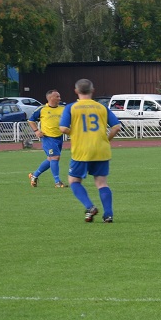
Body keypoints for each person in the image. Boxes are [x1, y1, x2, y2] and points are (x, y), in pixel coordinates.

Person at [59, 78, 121, 222]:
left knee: (74, 180)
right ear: (93, 90)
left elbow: (62, 128)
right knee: (102, 183)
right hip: (101, 149)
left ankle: (90, 207)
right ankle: (108, 214)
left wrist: (75, 133)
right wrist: (107, 139)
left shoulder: (71, 107)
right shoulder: (101, 107)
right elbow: (116, 127)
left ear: (76, 91)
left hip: (82, 150)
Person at [28, 89, 66, 188]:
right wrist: (36, 131)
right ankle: (57, 182)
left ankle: (34, 175)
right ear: (50, 98)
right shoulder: (42, 109)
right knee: (55, 157)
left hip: (59, 137)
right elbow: (31, 120)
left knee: (50, 159)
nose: (59, 98)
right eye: (57, 96)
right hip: (48, 137)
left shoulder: (63, 109)